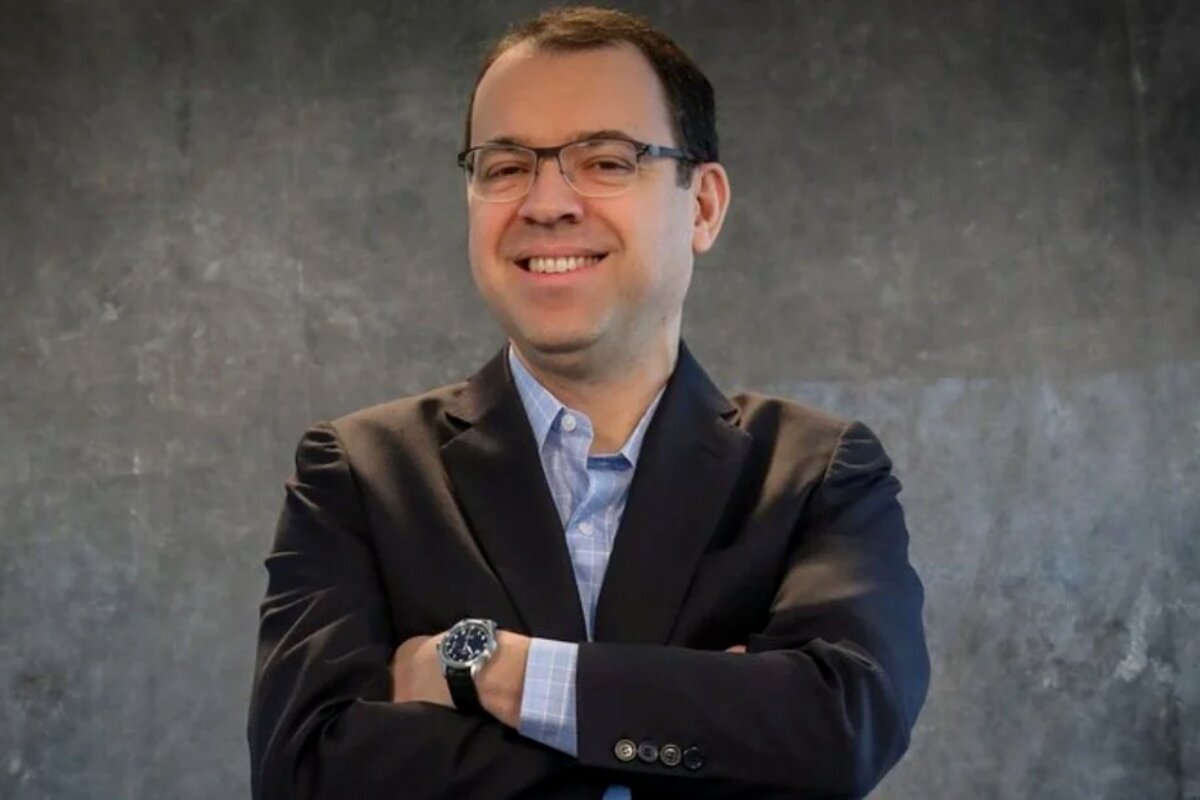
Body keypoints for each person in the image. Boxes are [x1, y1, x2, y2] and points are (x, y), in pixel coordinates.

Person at [247, 6, 929, 799]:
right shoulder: (359, 474)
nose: (546, 203)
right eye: (504, 167)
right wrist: (697, 719)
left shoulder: (817, 472)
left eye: (606, 161)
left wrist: (484, 669)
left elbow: (839, 731)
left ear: (702, 205)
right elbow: (307, 775)